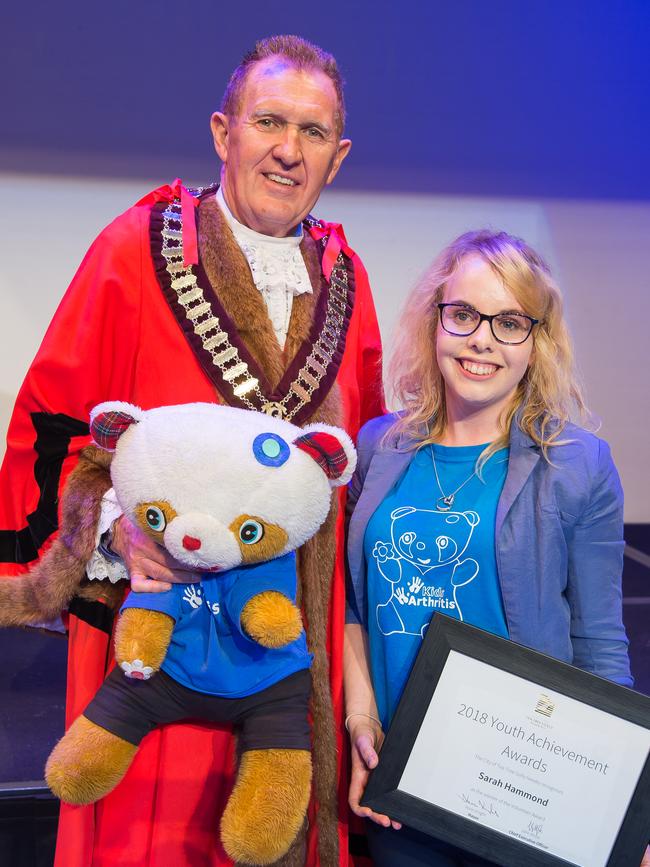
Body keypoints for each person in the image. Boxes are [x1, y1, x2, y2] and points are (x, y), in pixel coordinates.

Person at [0, 35, 384, 867]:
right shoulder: (133, 250)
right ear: (223, 132)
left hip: (289, 654)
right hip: (160, 630)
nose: (289, 150)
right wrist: (110, 536)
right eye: (269, 122)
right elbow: (53, 426)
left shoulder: (348, 281)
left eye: (313, 133)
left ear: (339, 154)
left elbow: (362, 469)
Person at [343, 229, 639, 865]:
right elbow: (354, 610)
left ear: (537, 342)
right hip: (403, 781)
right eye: (464, 315)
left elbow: (599, 640)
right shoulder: (379, 446)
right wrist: (362, 725)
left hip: (523, 789)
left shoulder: (577, 465)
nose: (482, 339)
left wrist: (625, 803)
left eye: (510, 322)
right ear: (436, 323)